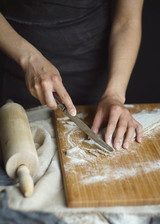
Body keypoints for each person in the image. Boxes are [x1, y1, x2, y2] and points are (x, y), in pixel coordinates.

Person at [0, 0, 143, 150]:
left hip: (91, 82)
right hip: (14, 70)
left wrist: (114, 95)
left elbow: (127, 21)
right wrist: (28, 57)